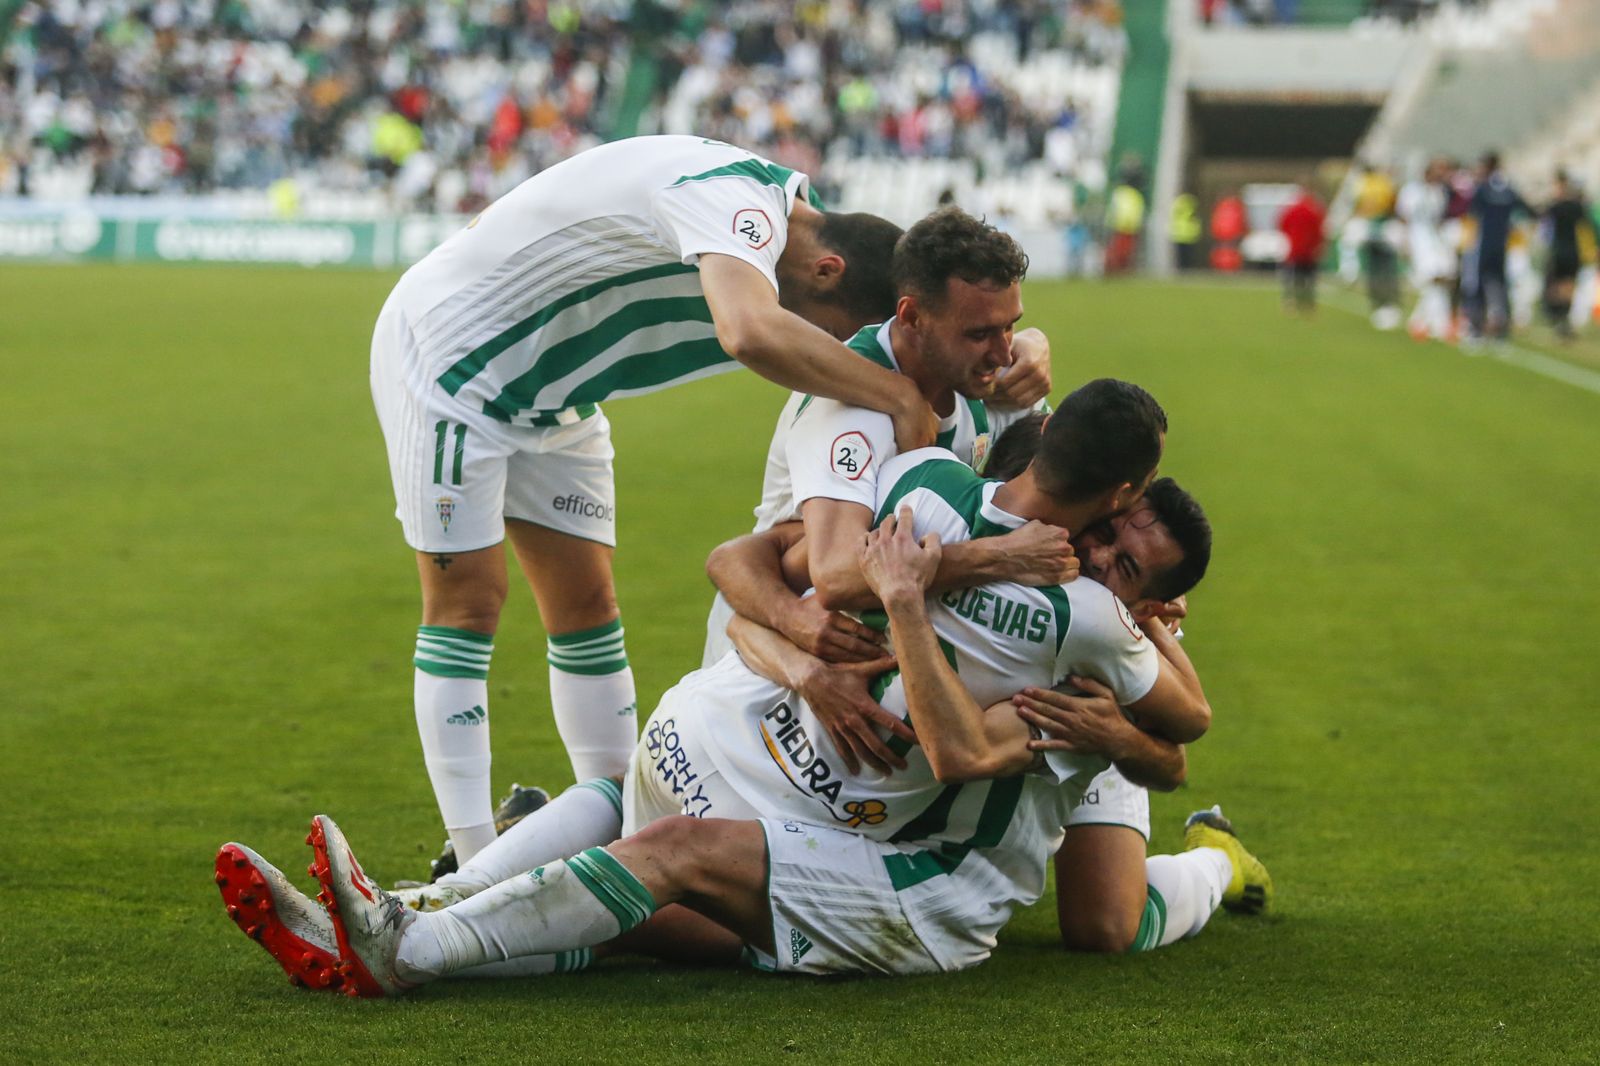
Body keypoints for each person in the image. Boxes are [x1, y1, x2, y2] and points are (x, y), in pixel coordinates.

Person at [217, 380, 1258, 991]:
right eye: (1114, 532)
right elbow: (743, 568)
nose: (1107, 552)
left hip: (937, 879)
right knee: (636, 884)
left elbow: (1173, 727)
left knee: (1104, 922)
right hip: (849, 817)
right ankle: (397, 918)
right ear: (1112, 490)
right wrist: (814, 644)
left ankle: (1213, 863)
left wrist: (1137, 658)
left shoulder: (1094, 625)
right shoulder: (920, 486)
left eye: (1129, 557)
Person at [371, 135, 934, 872]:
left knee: (588, 608)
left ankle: (618, 836)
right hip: (454, 362)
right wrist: (895, 396)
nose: (824, 361)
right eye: (829, 336)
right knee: (469, 607)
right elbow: (748, 329)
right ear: (827, 271)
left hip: (556, 395)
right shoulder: (734, 199)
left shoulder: (788, 227)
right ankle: (473, 868)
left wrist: (1019, 352)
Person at [699, 206, 1060, 702]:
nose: (1002, 353)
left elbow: (1067, 475)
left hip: (865, 666)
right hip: (771, 676)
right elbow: (837, 574)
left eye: (1010, 327)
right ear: (911, 317)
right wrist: (998, 557)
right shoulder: (849, 409)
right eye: (979, 334)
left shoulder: (985, 375)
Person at [1461, 151, 1532, 345]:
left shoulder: (1483, 189)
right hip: (1502, 246)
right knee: (1501, 287)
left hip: (1484, 245)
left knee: (1480, 286)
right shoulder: (1509, 189)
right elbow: (1527, 211)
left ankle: (1476, 329)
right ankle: (1502, 332)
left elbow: (1472, 215)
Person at [1398, 158, 1455, 341]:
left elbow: (1438, 219)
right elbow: (1404, 217)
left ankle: (1426, 320)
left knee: (1443, 277)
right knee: (1430, 278)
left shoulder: (1439, 192)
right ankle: (1433, 322)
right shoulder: (1411, 191)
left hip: (1434, 239)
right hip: (1417, 239)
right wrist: (1405, 241)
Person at [1541, 171, 1597, 341]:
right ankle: (1563, 318)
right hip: (1574, 251)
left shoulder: (1557, 206)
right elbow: (1589, 225)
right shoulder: (1578, 207)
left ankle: (1558, 317)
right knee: (1568, 285)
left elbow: (1543, 217)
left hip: (1559, 249)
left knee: (1557, 284)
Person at [1277, 181, 1326, 314]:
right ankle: (1307, 303)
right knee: (1309, 278)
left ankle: (1290, 301)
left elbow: (1282, 225)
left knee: (1292, 276)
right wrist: (1318, 246)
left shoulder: (1292, 209)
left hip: (1294, 248)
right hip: (1309, 250)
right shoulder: (1315, 209)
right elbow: (1320, 230)